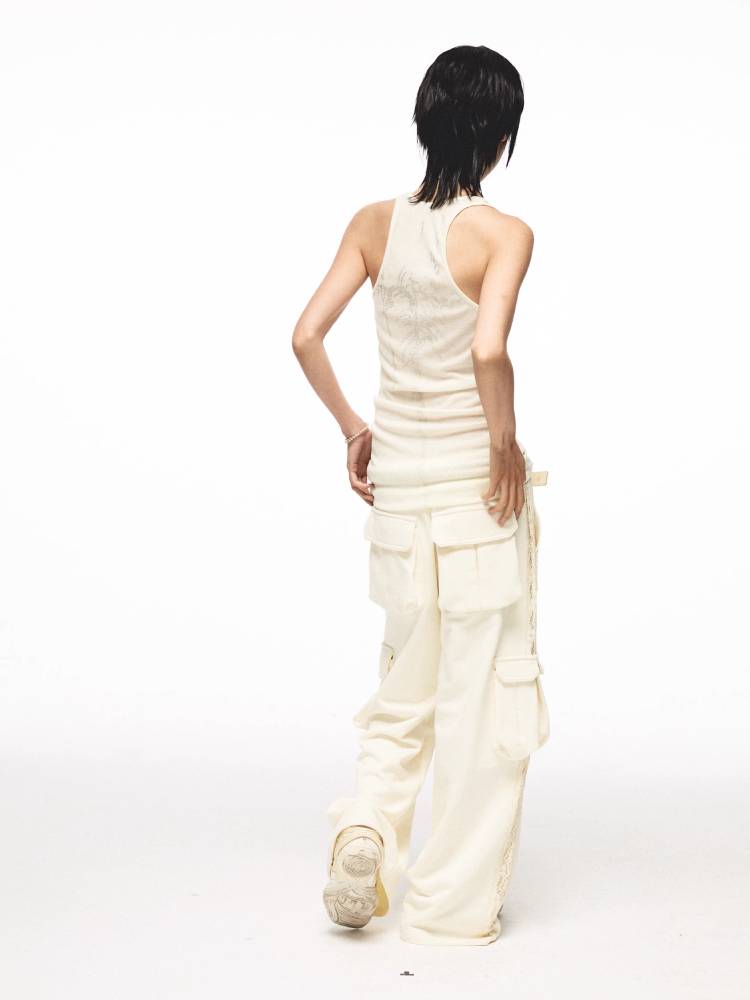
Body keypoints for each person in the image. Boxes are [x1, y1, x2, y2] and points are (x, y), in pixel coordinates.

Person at [291, 44, 550, 947]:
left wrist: (353, 430)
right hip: (477, 497)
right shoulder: (504, 234)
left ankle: (364, 830)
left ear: (424, 121)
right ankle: (447, 911)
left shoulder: (373, 223)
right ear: (501, 136)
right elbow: (488, 350)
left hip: (398, 491)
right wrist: (503, 445)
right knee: (482, 704)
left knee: (403, 685)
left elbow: (306, 334)